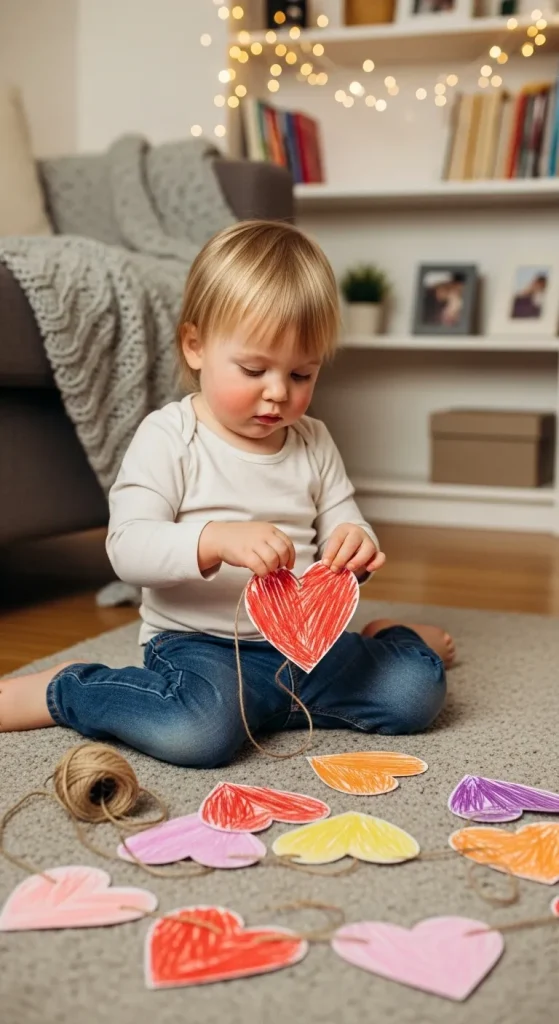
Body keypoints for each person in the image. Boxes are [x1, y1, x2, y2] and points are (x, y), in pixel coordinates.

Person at [0, 221, 454, 766]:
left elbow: (343, 520)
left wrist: (355, 546)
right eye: (254, 368)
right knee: (197, 734)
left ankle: (393, 638)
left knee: (414, 695)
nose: (279, 392)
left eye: (302, 374)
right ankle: (69, 689)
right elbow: (127, 548)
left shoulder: (313, 440)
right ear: (195, 346)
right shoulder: (170, 437)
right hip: (199, 646)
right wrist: (213, 541)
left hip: (305, 645)